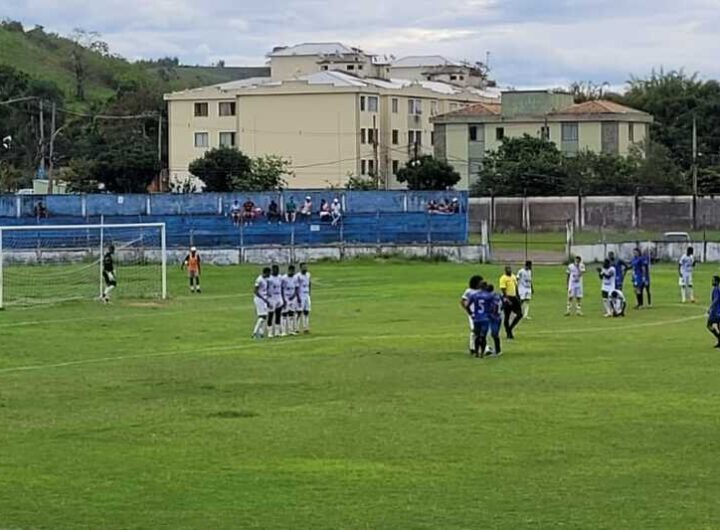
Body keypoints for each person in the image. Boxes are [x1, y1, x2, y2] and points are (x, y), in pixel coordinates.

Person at [465, 283, 493, 358]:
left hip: (476, 318)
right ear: (485, 287)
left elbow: (467, 305)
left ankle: (477, 352)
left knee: (477, 336)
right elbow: (493, 306)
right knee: (483, 336)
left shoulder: (474, 295)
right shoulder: (489, 296)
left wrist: (471, 314)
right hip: (485, 318)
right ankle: (482, 354)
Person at [461, 275, 483, 354]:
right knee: (475, 329)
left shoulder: (481, 291)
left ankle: (473, 347)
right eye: (480, 282)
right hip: (472, 313)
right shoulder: (469, 291)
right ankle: (475, 347)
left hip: (480, 313)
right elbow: (463, 301)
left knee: (479, 330)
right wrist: (468, 311)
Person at [499, 265, 522, 339]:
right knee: (507, 316)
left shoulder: (513, 276)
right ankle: (508, 332)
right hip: (508, 297)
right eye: (508, 269)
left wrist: (518, 296)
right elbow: (503, 289)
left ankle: (510, 328)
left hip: (514, 297)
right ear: (505, 270)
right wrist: (506, 299)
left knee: (519, 314)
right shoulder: (503, 278)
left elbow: (516, 286)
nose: (509, 270)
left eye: (510, 269)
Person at [252, 267, 271, 339]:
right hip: (259, 299)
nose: (270, 274)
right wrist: (263, 299)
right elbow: (255, 291)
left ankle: (261, 333)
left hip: (263, 299)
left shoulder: (266, 280)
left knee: (264, 316)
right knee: (262, 316)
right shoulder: (259, 279)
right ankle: (255, 333)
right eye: (269, 273)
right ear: (266, 273)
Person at [281, 265, 299, 336]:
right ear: (288, 270)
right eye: (290, 270)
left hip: (292, 297)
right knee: (284, 314)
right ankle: (283, 331)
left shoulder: (295, 278)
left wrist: (294, 295)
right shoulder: (284, 278)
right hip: (285, 297)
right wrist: (283, 299)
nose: (291, 272)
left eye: (293, 271)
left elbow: (296, 288)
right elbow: (281, 289)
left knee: (291, 313)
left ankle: (291, 330)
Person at [485, 283, 503, 357]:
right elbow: (504, 303)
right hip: (498, 317)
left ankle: (497, 351)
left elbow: (492, 307)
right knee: (494, 334)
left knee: (494, 334)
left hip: (493, 317)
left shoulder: (489, 297)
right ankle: (496, 350)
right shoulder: (498, 295)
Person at [267, 264, 283, 338]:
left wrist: (282, 297)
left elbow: (281, 287)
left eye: (277, 270)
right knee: (270, 315)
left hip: (278, 297)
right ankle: (269, 332)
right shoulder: (269, 278)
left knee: (278, 314)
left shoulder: (280, 277)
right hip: (272, 298)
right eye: (274, 270)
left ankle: (277, 331)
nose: (276, 271)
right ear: (272, 270)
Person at [297, 263, 312, 333]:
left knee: (306, 311)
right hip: (301, 294)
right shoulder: (298, 276)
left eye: (306, 267)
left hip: (306, 294)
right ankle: (296, 327)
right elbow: (296, 286)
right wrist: (298, 296)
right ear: (300, 268)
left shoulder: (308, 275)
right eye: (303, 267)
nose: (305, 268)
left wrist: (309, 293)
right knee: (299, 311)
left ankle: (306, 327)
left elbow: (309, 283)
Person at [707, 275, 720, 348]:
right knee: (718, 325)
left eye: (713, 280)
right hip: (718, 311)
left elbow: (716, 299)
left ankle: (719, 337)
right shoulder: (718, 289)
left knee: (709, 325)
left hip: (715, 312)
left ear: (717, 282)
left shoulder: (715, 289)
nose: (712, 281)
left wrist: (710, 307)